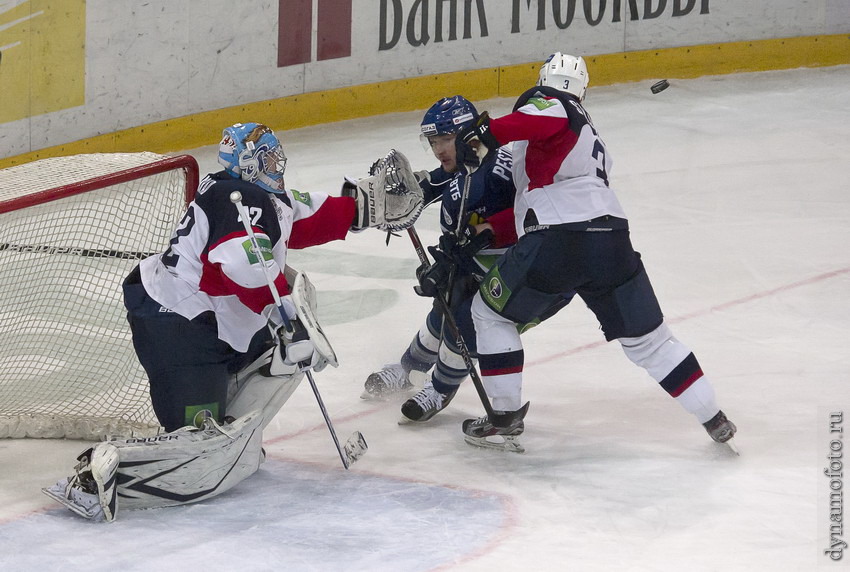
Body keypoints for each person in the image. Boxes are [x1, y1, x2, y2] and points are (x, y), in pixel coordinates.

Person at [43, 122, 422, 521]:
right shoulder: (236, 199)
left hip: (204, 322)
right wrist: (282, 315)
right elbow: (241, 265)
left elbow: (306, 217)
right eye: (270, 160)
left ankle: (228, 434)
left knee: (288, 351)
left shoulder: (250, 193)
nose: (279, 165)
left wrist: (370, 206)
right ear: (248, 163)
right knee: (200, 433)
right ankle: (106, 470)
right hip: (179, 330)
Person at [440, 53, 737, 452]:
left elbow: (539, 119)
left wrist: (487, 132)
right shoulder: (588, 137)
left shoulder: (553, 103)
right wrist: (491, 229)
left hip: (558, 241)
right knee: (651, 342)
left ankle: (504, 416)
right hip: (612, 239)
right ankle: (713, 416)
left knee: (487, 313)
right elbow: (548, 196)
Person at [360, 95, 520, 424]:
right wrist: (389, 195)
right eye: (433, 142)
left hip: (510, 267)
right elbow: (424, 188)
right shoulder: (463, 165)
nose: (438, 150)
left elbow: (528, 216)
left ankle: (439, 388)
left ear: (466, 136)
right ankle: (408, 370)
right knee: (443, 311)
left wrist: (490, 233)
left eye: (445, 140)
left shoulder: (502, 171)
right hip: (472, 264)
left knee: (464, 320)